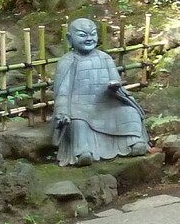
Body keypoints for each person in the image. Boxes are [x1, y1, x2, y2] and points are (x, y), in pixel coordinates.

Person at [51, 18, 148, 167]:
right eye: (83, 35)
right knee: (77, 123)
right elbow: (62, 92)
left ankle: (134, 143)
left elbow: (116, 83)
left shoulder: (105, 58)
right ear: (70, 38)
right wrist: (62, 111)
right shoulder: (67, 61)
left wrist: (115, 88)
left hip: (106, 105)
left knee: (129, 112)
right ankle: (83, 152)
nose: (89, 38)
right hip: (79, 107)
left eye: (93, 34)